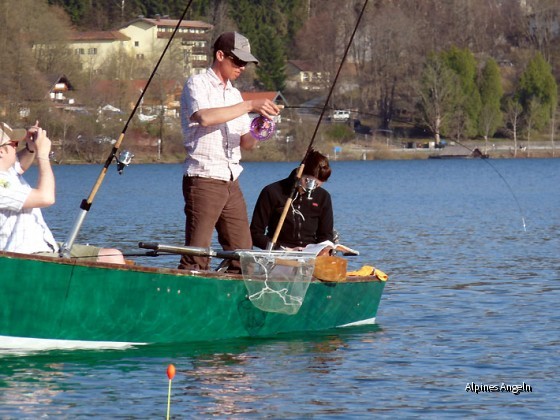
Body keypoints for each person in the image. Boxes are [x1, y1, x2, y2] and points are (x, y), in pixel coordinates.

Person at [178, 31, 280, 272]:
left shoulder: (234, 95)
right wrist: (250, 105)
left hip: (231, 180)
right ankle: (186, 297)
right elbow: (204, 117)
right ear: (220, 55)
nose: (242, 68)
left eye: (246, 63)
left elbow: (247, 143)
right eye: (238, 61)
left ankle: (232, 302)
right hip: (203, 178)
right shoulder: (197, 83)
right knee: (197, 253)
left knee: (243, 256)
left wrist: (262, 126)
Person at [0, 122, 125, 264]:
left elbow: (20, 164)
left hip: (45, 247)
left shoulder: (6, 170)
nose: (17, 147)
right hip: (24, 257)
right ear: (1, 152)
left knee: (113, 256)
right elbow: (46, 197)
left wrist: (30, 147)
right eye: (15, 144)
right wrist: (42, 155)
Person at [250, 149, 334, 252]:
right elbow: (255, 234)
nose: (311, 189)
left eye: (317, 186)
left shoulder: (323, 197)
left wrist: (326, 247)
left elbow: (326, 235)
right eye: (308, 182)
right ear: (300, 172)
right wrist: (282, 249)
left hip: (311, 255)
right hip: (280, 254)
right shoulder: (272, 192)